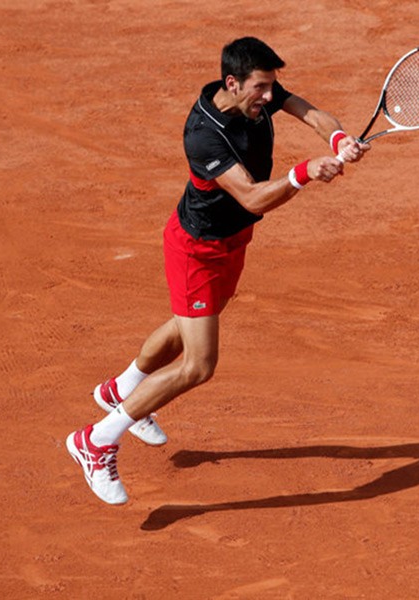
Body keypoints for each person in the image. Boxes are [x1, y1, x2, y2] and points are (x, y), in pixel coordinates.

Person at [66, 37, 370, 505]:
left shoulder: (254, 97)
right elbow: (251, 197)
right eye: (262, 88)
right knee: (199, 364)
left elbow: (307, 110)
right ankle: (97, 440)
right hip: (197, 250)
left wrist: (337, 138)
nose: (270, 97)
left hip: (232, 243)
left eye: (271, 87)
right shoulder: (204, 136)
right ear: (234, 83)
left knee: (186, 327)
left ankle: (120, 389)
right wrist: (305, 172)